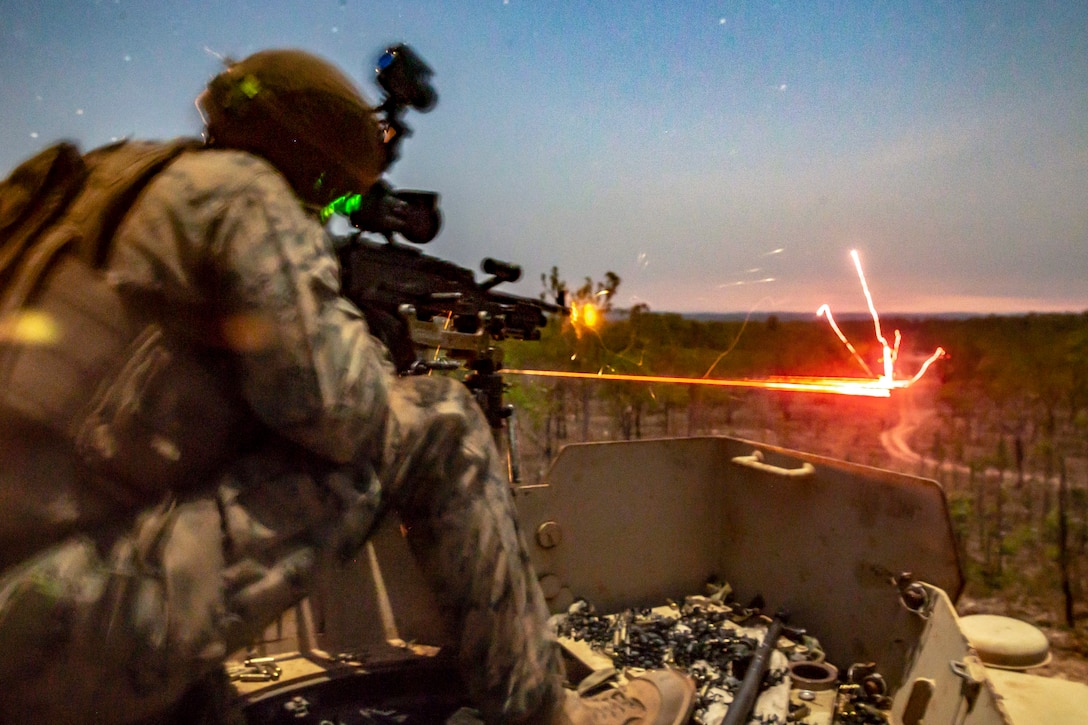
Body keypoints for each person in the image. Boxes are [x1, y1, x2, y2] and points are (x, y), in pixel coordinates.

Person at [0, 49, 695, 724]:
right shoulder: (240, 193)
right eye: (339, 195)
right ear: (312, 163)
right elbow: (344, 417)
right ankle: (546, 712)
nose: (336, 211)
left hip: (43, 613)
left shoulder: (89, 191)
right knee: (441, 422)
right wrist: (356, 335)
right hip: (58, 629)